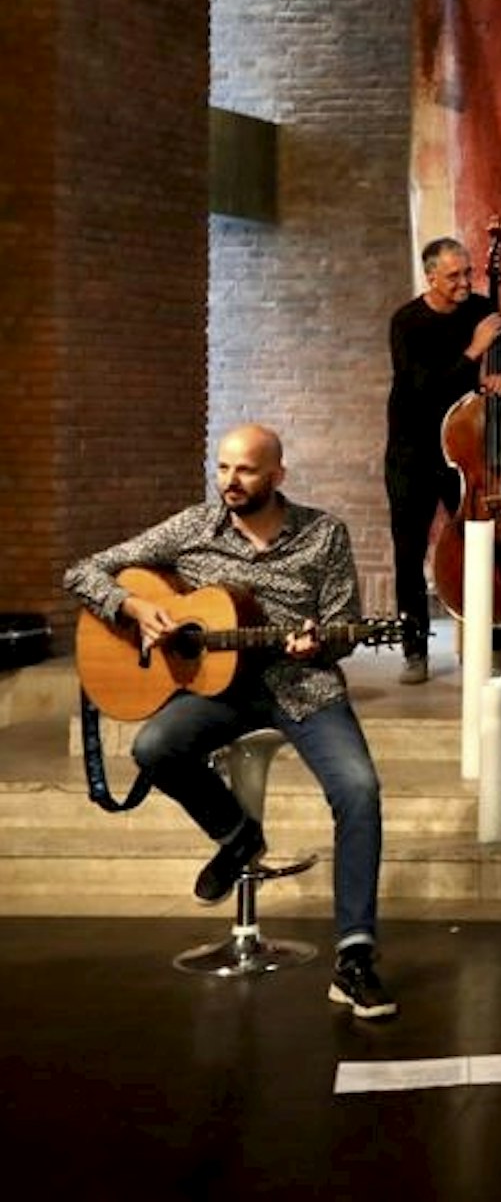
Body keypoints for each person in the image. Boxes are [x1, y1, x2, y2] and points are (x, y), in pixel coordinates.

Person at [64, 425, 396, 1018]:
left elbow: (344, 625)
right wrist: (135, 606)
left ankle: (354, 958)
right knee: (155, 745)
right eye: (222, 469)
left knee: (359, 789)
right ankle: (238, 835)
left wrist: (317, 645)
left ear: (277, 476)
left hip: (301, 687)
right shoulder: (194, 527)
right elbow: (84, 571)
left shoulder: (323, 535)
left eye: (244, 471)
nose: (229, 483)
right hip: (215, 687)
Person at [384, 236, 501, 684]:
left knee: (481, 546)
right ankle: (415, 649)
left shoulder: (480, 310)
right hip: (413, 451)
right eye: (454, 276)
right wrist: (474, 350)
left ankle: (496, 645)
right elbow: (419, 386)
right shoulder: (407, 321)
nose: (466, 281)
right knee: (409, 551)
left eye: (468, 272)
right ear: (431, 277)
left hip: (464, 453)